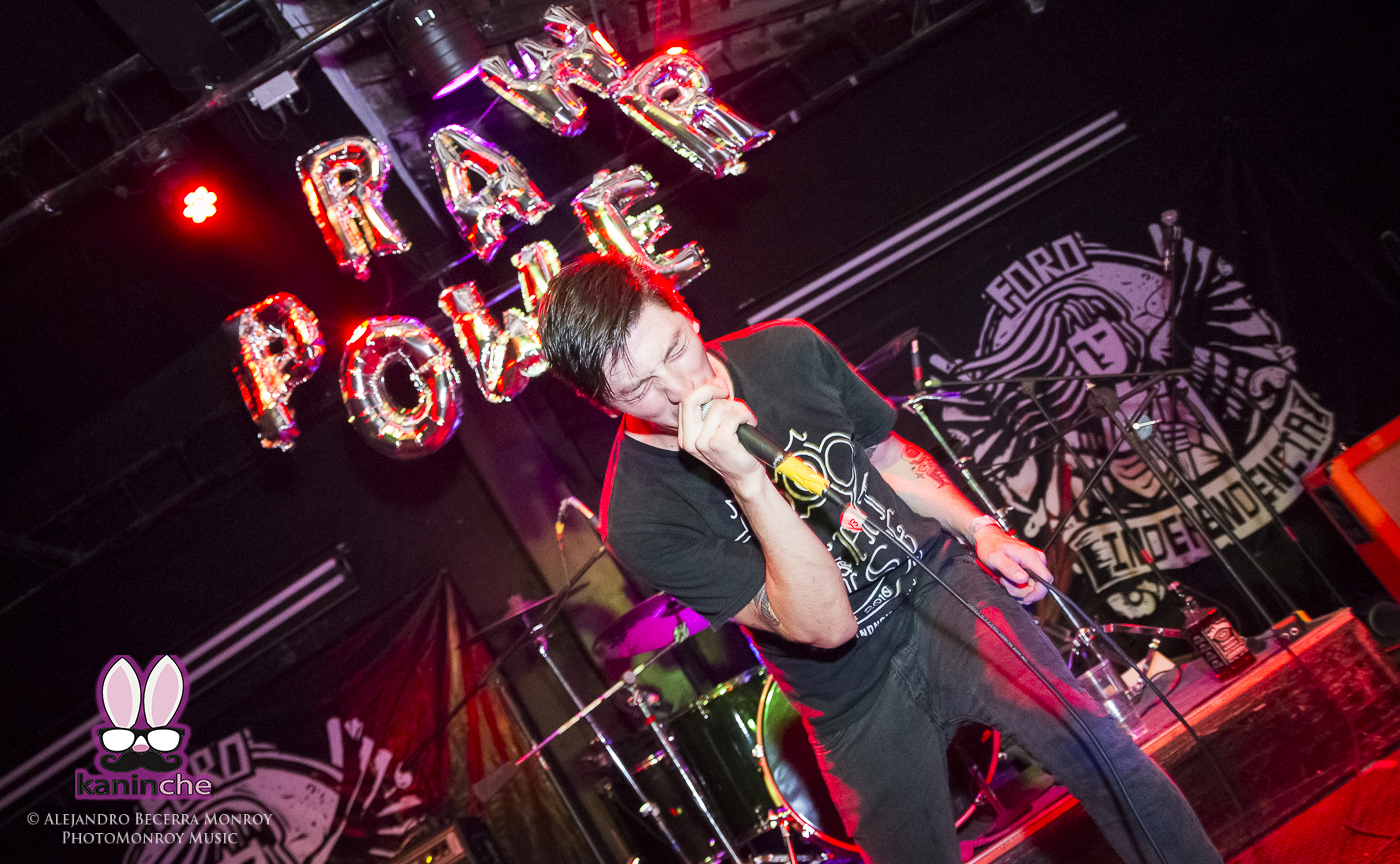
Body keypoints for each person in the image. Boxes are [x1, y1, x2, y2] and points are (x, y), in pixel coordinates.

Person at [537, 253, 1223, 864]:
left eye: (676, 349)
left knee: (1104, 758)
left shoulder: (788, 351)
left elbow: (886, 457)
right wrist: (746, 480)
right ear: (603, 405)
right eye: (638, 389)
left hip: (939, 595)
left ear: (686, 313)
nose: (679, 389)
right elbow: (824, 626)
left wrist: (981, 528)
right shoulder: (639, 516)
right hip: (850, 695)